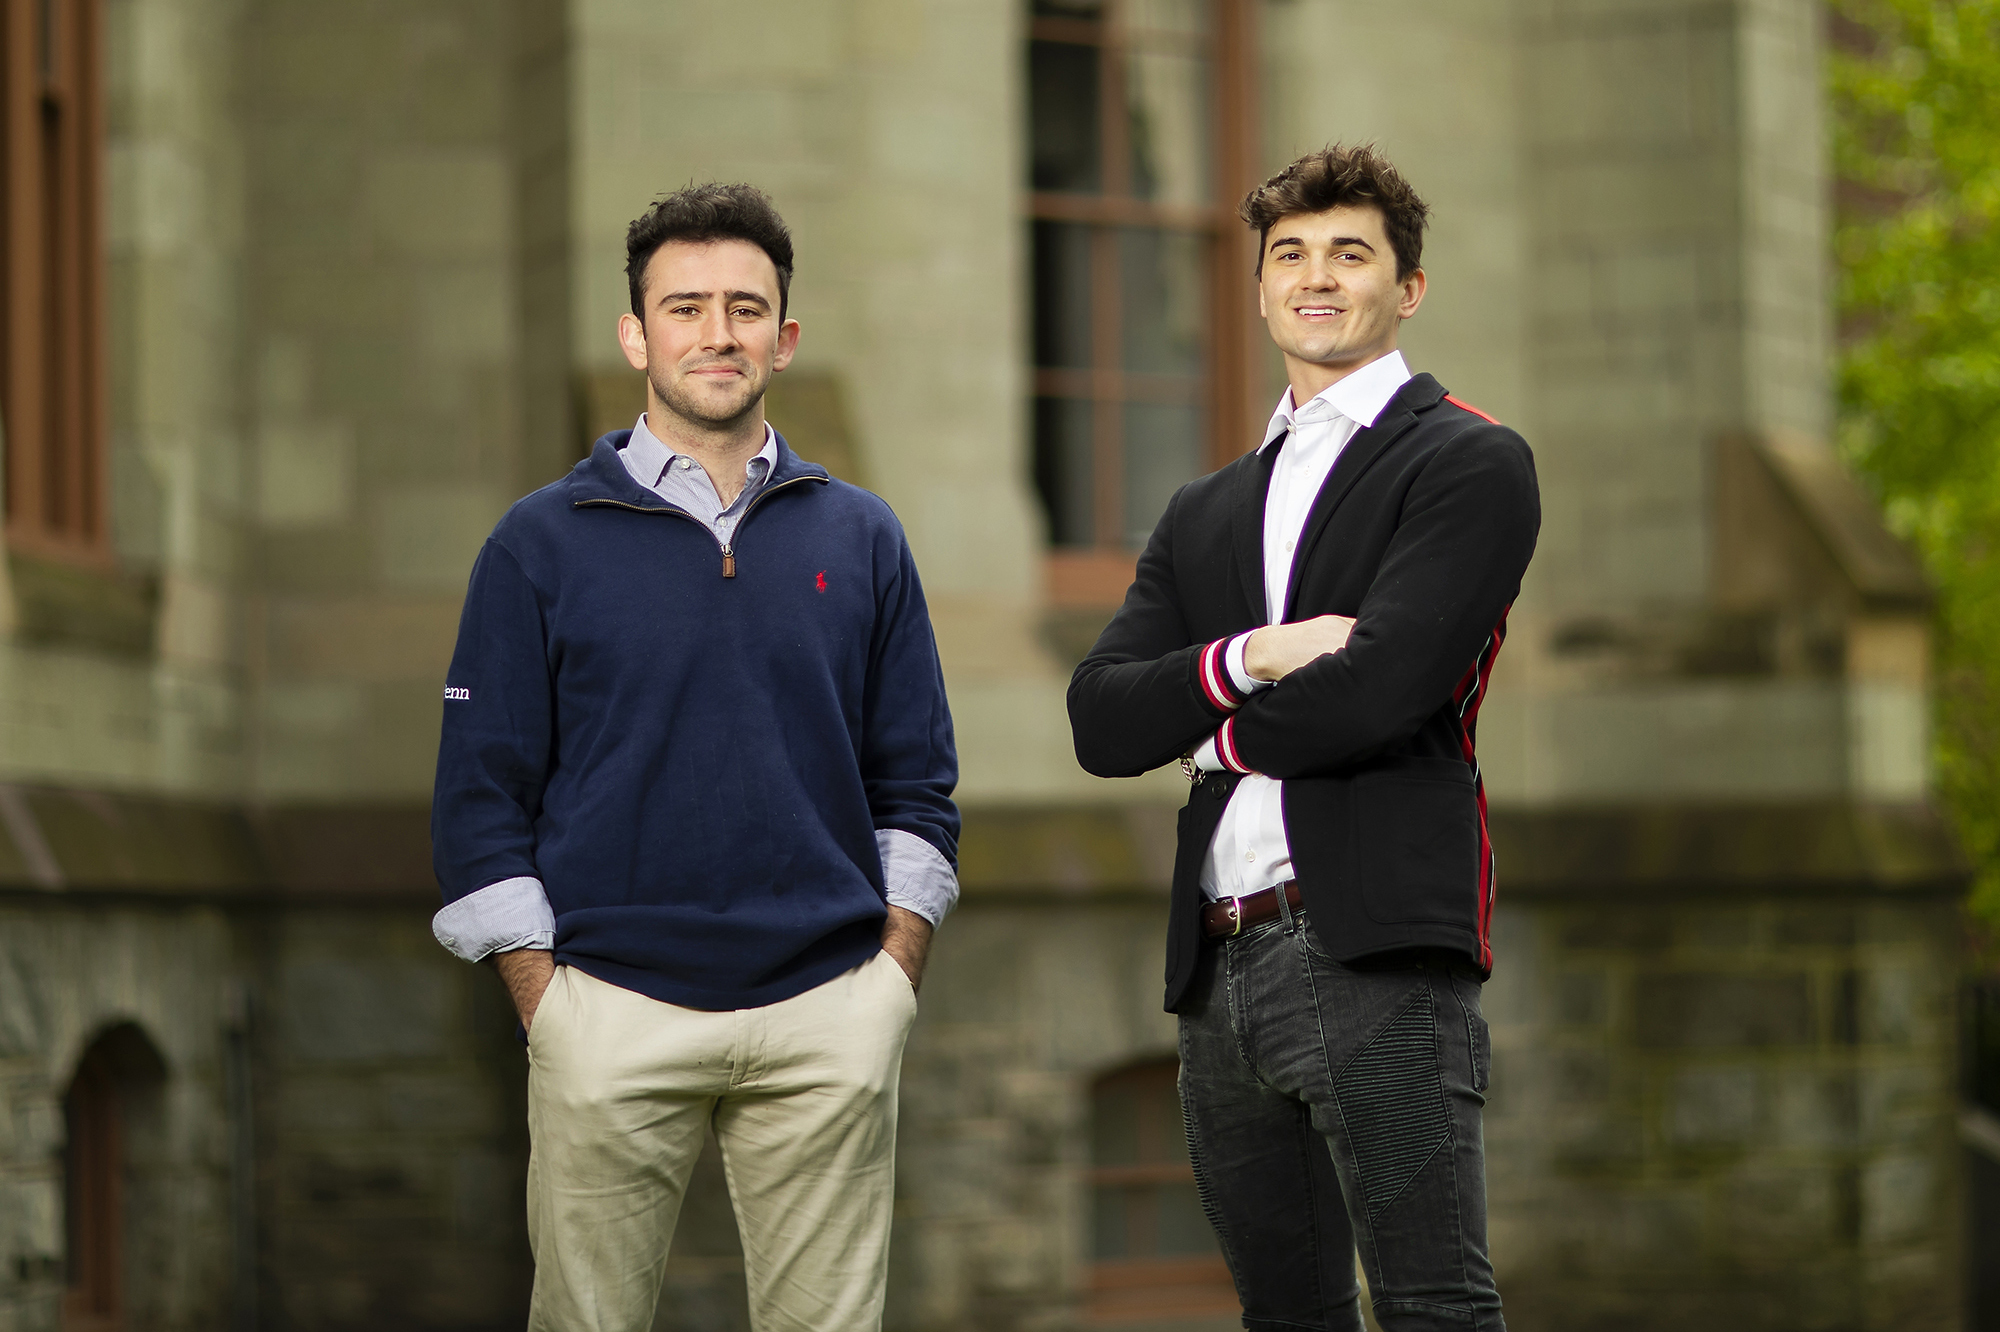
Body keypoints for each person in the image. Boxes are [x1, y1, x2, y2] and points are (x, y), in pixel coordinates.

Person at [429, 182, 959, 1332]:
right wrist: (546, 1003)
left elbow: (915, 780)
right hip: (608, 1009)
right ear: (636, 336)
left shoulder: (860, 533)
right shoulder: (536, 543)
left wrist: (890, 983)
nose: (716, 333)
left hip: (829, 1012)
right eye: (684, 307)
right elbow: (479, 798)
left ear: (784, 335)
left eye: (743, 307)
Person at [1067, 145, 1539, 1332]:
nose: (1314, 277)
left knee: (1431, 1304)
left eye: (1348, 253)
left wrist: (1211, 741)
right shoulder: (1206, 507)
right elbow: (1100, 715)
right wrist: (1251, 657)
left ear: (1407, 287)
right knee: (1284, 1316)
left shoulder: (1467, 461)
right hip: (1218, 968)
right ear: (1261, 286)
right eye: (1289, 255)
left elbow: (1382, 691)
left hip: (1371, 949)